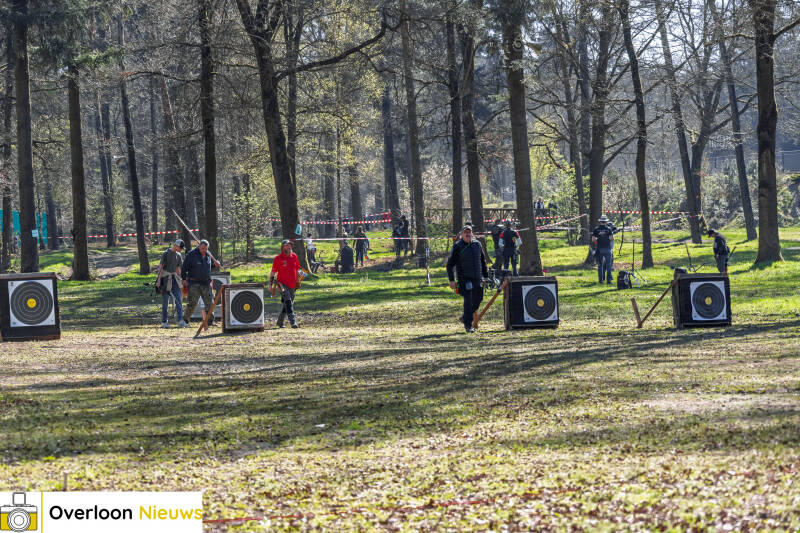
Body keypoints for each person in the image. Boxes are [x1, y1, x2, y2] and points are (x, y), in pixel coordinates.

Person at [446, 225, 488, 333]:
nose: (468, 234)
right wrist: (451, 280)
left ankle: (465, 317)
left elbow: (483, 262)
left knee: (478, 299)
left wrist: (486, 276)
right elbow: (450, 265)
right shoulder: (458, 246)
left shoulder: (477, 245)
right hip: (464, 278)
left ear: (472, 234)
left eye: (469, 232)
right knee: (468, 301)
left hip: (477, 278)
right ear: (461, 235)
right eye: (466, 233)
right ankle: (468, 326)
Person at [182, 239, 222, 326]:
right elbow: (184, 268)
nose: (204, 250)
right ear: (199, 246)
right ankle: (185, 319)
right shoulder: (191, 255)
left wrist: (215, 264)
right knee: (192, 303)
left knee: (210, 302)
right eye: (202, 248)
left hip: (206, 283)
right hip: (193, 283)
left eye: (206, 249)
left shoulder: (209, 255)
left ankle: (210, 321)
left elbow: (210, 267)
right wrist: (184, 280)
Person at [269, 239, 302, 328]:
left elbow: (298, 269)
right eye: (287, 245)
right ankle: (293, 322)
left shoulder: (294, 256)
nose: (289, 247)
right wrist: (270, 285)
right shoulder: (278, 258)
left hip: (293, 285)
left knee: (287, 304)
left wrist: (301, 279)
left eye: (290, 245)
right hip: (281, 285)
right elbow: (273, 273)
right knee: (288, 301)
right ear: (283, 247)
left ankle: (280, 322)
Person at [155, 239, 186, 328]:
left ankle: (180, 320)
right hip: (165, 279)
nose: (181, 249)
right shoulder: (166, 253)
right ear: (175, 245)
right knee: (165, 301)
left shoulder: (179, 255)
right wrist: (158, 281)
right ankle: (164, 322)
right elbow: (161, 267)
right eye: (180, 247)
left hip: (175, 279)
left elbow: (179, 269)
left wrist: (181, 280)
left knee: (179, 299)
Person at [591, 215, 615, 284]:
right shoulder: (609, 229)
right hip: (607, 248)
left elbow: (593, 239)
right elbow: (612, 238)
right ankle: (608, 280)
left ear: (600, 221)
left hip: (599, 249)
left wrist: (597, 240)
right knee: (608, 265)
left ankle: (600, 280)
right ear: (606, 222)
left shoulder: (596, 229)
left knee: (600, 265)